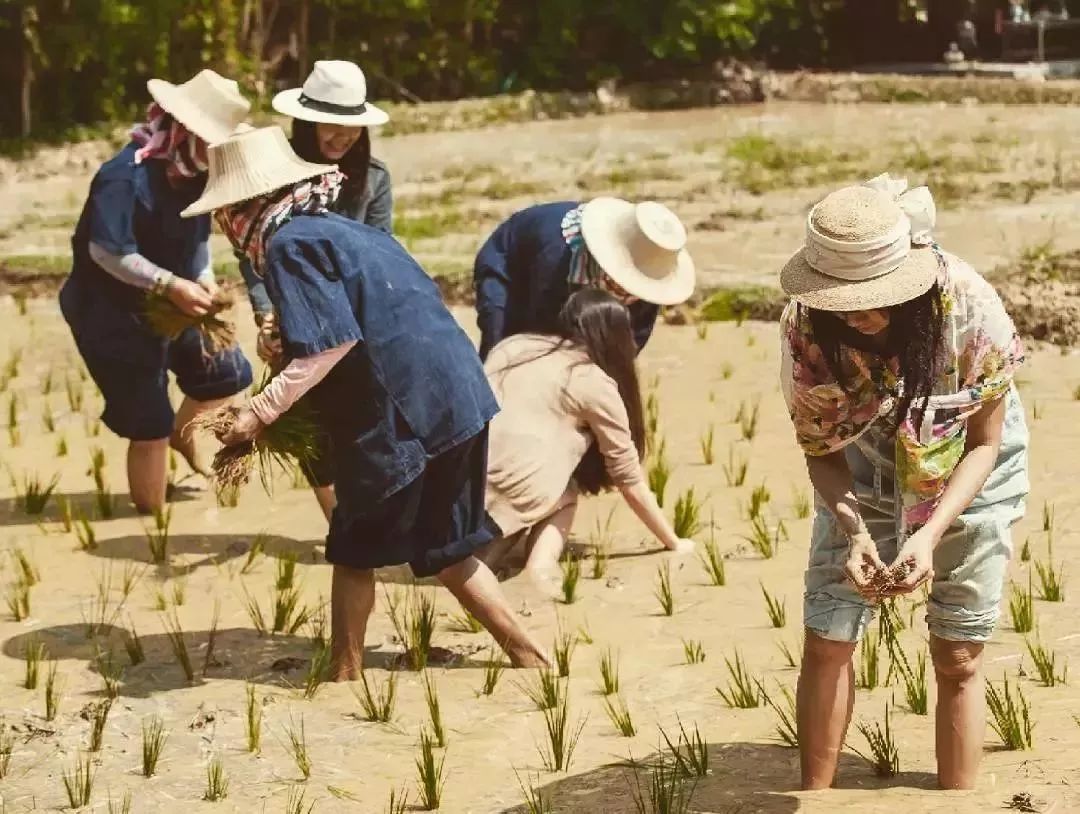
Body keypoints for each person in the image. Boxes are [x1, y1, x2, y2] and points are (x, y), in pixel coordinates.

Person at [184, 125, 548, 679]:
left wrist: (258, 413)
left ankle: (343, 676)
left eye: (225, 214)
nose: (225, 229)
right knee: (450, 550)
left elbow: (332, 344)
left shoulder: (289, 244)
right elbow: (370, 314)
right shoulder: (344, 230)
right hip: (461, 399)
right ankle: (534, 660)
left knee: (353, 551)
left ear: (243, 207)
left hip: (403, 415)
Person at [779, 175, 1028, 791]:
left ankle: (956, 802)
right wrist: (856, 531)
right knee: (827, 635)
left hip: (969, 464)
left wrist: (928, 534)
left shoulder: (971, 311)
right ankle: (814, 800)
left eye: (872, 298)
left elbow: (985, 445)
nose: (857, 314)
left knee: (959, 652)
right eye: (842, 301)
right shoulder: (806, 329)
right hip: (859, 458)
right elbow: (820, 446)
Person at [59, 69, 253, 514]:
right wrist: (171, 284)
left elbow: (199, 237)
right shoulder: (124, 178)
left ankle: (182, 440)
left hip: (178, 300)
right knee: (148, 425)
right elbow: (107, 252)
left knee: (227, 373)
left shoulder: (199, 174)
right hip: (111, 312)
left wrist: (202, 279)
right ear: (183, 130)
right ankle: (153, 524)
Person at [242, 60, 394, 522]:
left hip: (358, 321)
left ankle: (373, 524)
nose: (344, 135)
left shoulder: (374, 177)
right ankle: (343, 528)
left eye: (353, 126)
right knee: (311, 429)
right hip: (294, 318)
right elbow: (252, 250)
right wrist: (267, 312)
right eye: (333, 123)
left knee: (369, 425)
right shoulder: (272, 171)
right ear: (306, 120)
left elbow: (382, 250)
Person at [480, 289, 696, 591]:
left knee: (476, 558)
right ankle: (540, 567)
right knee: (566, 493)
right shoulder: (592, 381)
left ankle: (483, 556)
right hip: (513, 489)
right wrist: (674, 542)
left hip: (463, 484)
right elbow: (628, 479)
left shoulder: (512, 346)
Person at [472, 198, 695, 360]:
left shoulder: (651, 277)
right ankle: (484, 419)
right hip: (509, 266)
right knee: (500, 344)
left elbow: (631, 342)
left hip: (561, 279)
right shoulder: (557, 256)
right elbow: (539, 330)